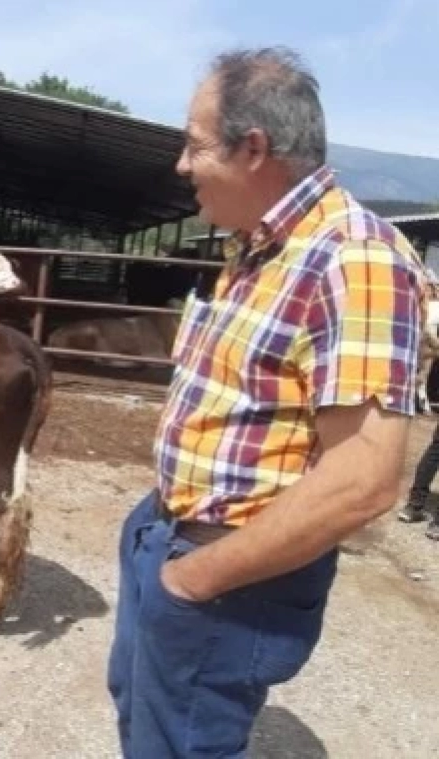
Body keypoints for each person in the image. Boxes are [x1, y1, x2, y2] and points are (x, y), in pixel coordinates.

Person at [106, 47, 431, 757]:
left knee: (179, 744)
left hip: (226, 577)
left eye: (193, 145)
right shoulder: (260, 249)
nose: (180, 164)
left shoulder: (354, 259)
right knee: (145, 723)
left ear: (252, 148)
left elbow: (363, 479)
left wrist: (191, 581)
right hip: (170, 534)